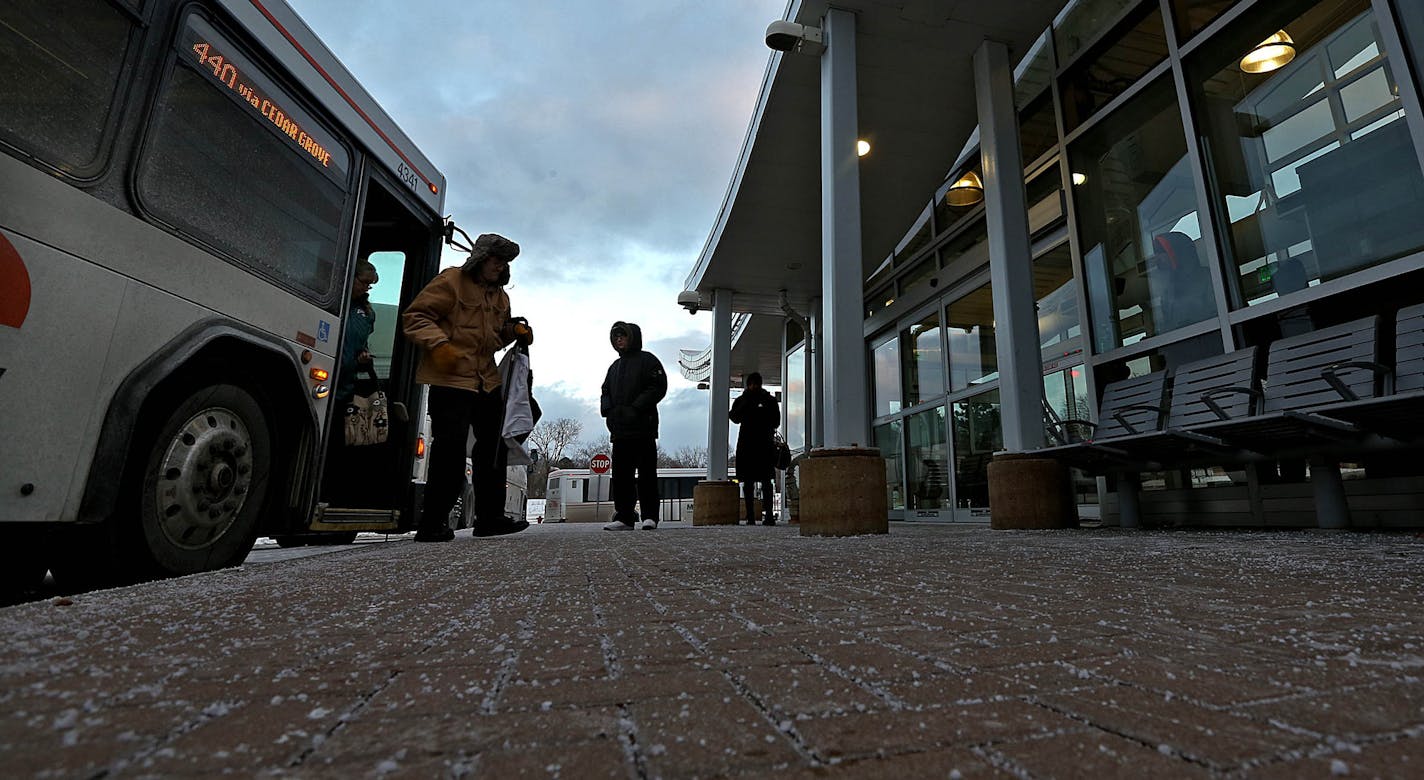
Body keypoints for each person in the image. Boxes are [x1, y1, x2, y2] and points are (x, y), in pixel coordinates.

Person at [402, 233, 531, 542]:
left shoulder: (501, 297)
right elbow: (414, 317)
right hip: (450, 379)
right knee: (450, 451)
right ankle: (432, 523)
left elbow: (493, 340)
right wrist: (440, 345)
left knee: (493, 450)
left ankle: (490, 519)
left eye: (504, 263)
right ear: (480, 258)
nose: (500, 267)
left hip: (486, 380)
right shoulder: (451, 281)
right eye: (495, 260)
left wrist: (513, 332)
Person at [600, 321, 667, 531]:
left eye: (623, 335)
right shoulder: (614, 367)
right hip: (620, 432)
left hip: (643, 429)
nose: (619, 339)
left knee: (647, 474)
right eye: (616, 336)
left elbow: (658, 386)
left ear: (633, 337)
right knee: (621, 476)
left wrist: (636, 408)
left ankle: (650, 516)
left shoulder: (648, 360)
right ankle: (625, 517)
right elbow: (605, 392)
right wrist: (609, 412)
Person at [729, 372, 780, 525]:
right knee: (753, 481)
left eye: (755, 384)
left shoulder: (765, 400)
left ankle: (764, 516)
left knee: (761, 481)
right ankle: (754, 516)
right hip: (755, 445)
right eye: (752, 384)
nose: (754, 387)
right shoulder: (761, 400)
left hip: (756, 445)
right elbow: (734, 417)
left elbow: (775, 421)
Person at [335, 260, 379, 405]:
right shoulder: (334, 302)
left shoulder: (367, 314)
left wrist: (364, 359)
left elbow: (361, 346)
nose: (366, 288)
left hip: (346, 386)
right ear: (350, 276)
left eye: (369, 285)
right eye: (364, 282)